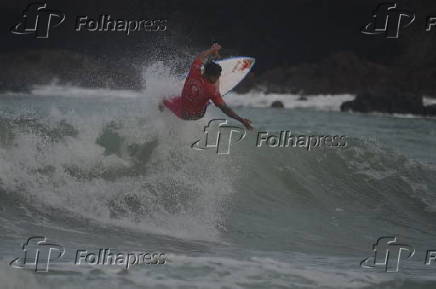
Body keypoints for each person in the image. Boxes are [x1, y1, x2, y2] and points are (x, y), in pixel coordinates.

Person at [160, 43, 253, 130]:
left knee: (165, 100)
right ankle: (215, 59)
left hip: (183, 111)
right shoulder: (212, 91)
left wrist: (212, 49)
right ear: (209, 75)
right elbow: (226, 110)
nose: (218, 77)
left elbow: (200, 57)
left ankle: (161, 111)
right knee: (212, 92)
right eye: (216, 76)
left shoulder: (194, 71)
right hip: (196, 115)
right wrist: (241, 120)